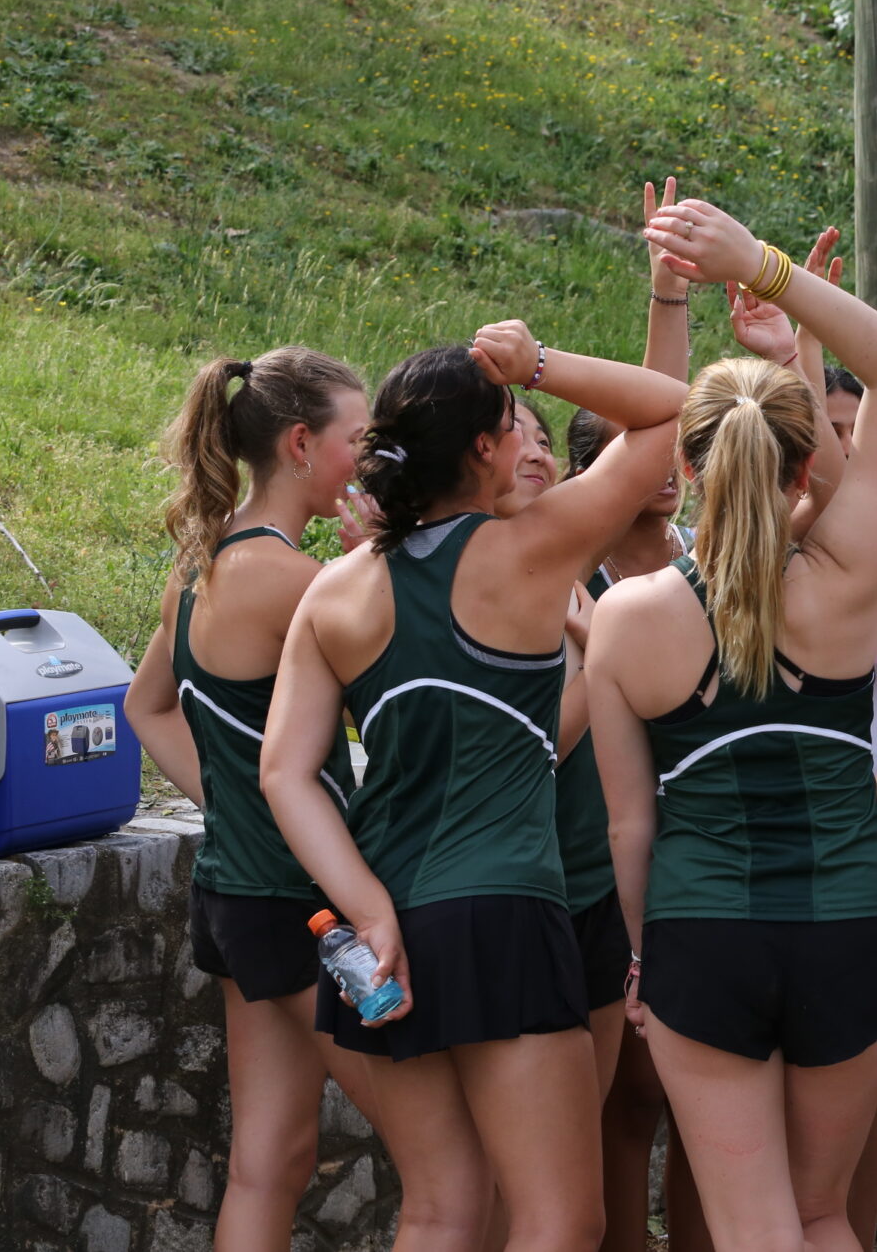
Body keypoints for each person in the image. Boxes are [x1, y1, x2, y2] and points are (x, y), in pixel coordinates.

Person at [259, 322, 687, 1250]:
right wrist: (540, 363)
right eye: (514, 420)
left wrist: (367, 908)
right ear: (485, 446)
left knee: (441, 1207)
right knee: (561, 1217)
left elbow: (285, 773)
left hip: (389, 934)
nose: (530, 442)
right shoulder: (530, 550)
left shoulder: (334, 589)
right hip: (502, 915)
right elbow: (667, 414)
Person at [587, 198, 877, 1252]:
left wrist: (640, 961)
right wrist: (765, 269)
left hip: (704, 932)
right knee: (826, 1216)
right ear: (804, 465)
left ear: (682, 470)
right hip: (851, 926)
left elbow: (627, 829)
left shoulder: (628, 620)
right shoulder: (844, 580)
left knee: (751, 1229)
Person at [123, 347, 378, 1248]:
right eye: (362, 439)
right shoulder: (298, 582)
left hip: (237, 891)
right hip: (305, 907)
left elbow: (145, 706)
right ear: (303, 444)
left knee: (271, 1159)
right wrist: (382, 561)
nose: (373, 459)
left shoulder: (202, 565)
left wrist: (235, 803)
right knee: (447, 1158)